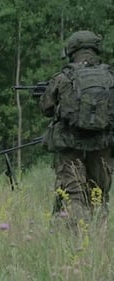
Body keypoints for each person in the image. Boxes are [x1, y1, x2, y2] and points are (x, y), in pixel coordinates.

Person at [39, 30, 114, 229]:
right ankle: (98, 239)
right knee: (99, 195)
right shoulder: (110, 77)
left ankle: (75, 238)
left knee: (73, 194)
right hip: (102, 145)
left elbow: (46, 108)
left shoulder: (64, 78)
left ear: (72, 50)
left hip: (70, 145)